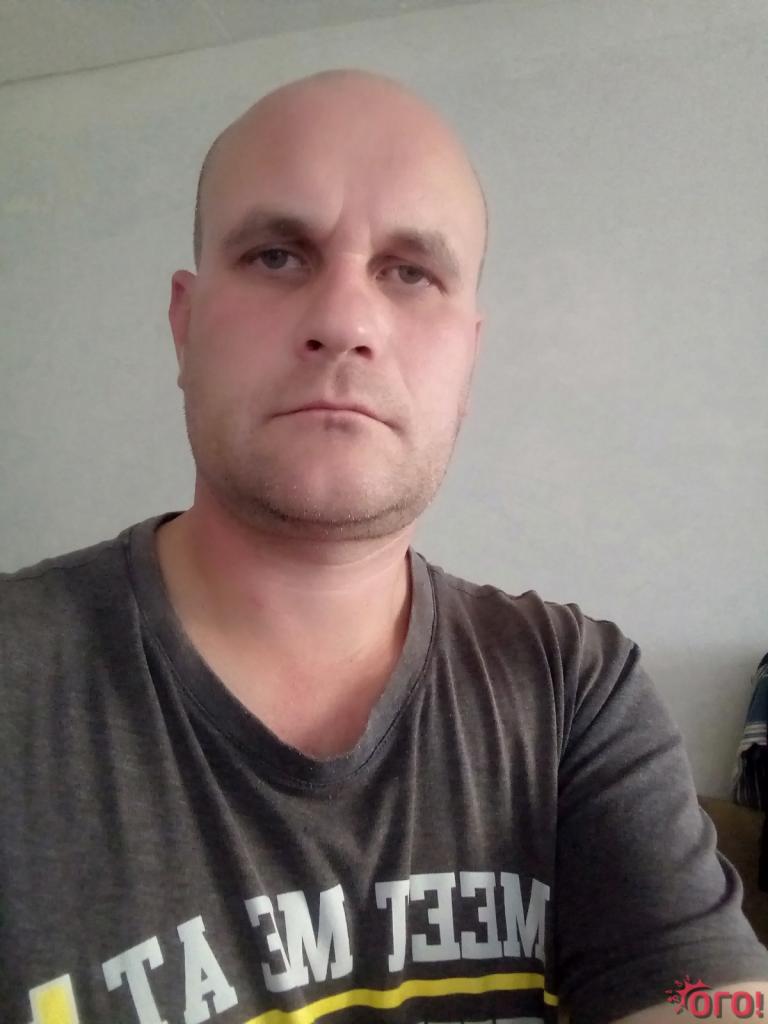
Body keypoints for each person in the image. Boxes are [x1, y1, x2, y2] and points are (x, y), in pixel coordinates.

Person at [1, 68, 766, 1024]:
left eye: (410, 272)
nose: (344, 322)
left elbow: (702, 997)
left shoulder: (574, 688)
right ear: (185, 326)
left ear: (467, 359)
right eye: (278, 255)